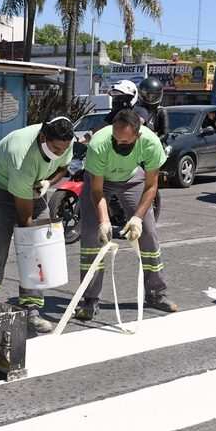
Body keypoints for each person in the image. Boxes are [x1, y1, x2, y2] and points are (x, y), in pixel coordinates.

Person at [75, 109, 178, 320]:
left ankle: (156, 293)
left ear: (137, 135)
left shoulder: (151, 143)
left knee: (148, 232)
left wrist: (137, 218)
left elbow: (151, 186)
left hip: (132, 179)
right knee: (92, 236)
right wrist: (104, 220)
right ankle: (90, 300)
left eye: (125, 142)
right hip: (101, 181)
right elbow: (97, 190)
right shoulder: (99, 144)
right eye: (116, 139)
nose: (119, 144)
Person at [0, 117, 75, 333]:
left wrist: (48, 182)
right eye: (55, 149)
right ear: (43, 138)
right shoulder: (21, 155)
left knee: (38, 247)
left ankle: (31, 310)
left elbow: (63, 167)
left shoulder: (66, 142)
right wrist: (30, 238)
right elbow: (25, 218)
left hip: (33, 185)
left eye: (63, 149)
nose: (59, 153)